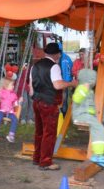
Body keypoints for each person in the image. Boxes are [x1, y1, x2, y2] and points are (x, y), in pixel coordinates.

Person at [29, 42, 77, 170]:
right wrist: (71, 83)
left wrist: (35, 98)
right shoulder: (54, 67)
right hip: (49, 103)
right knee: (49, 133)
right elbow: (57, 85)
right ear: (57, 55)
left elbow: (31, 88)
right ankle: (45, 162)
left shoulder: (35, 66)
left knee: (39, 132)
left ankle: (37, 158)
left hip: (37, 101)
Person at [71, 67, 104, 167]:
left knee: (98, 129)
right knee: (101, 129)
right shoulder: (81, 88)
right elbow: (76, 98)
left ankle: (98, 154)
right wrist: (84, 88)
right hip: (81, 115)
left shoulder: (90, 90)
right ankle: (98, 155)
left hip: (87, 116)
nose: (94, 81)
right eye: (93, 79)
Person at [0, 77, 22, 142]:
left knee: (15, 120)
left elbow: (15, 104)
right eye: (12, 85)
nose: (13, 86)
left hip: (10, 112)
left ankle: (11, 135)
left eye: (13, 85)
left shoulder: (14, 95)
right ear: (6, 86)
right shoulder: (2, 92)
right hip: (2, 110)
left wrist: (19, 101)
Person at [58, 43, 73, 115]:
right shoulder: (55, 58)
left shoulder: (66, 58)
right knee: (56, 97)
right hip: (56, 82)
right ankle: (58, 112)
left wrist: (67, 82)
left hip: (64, 81)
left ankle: (64, 113)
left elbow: (70, 70)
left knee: (64, 97)